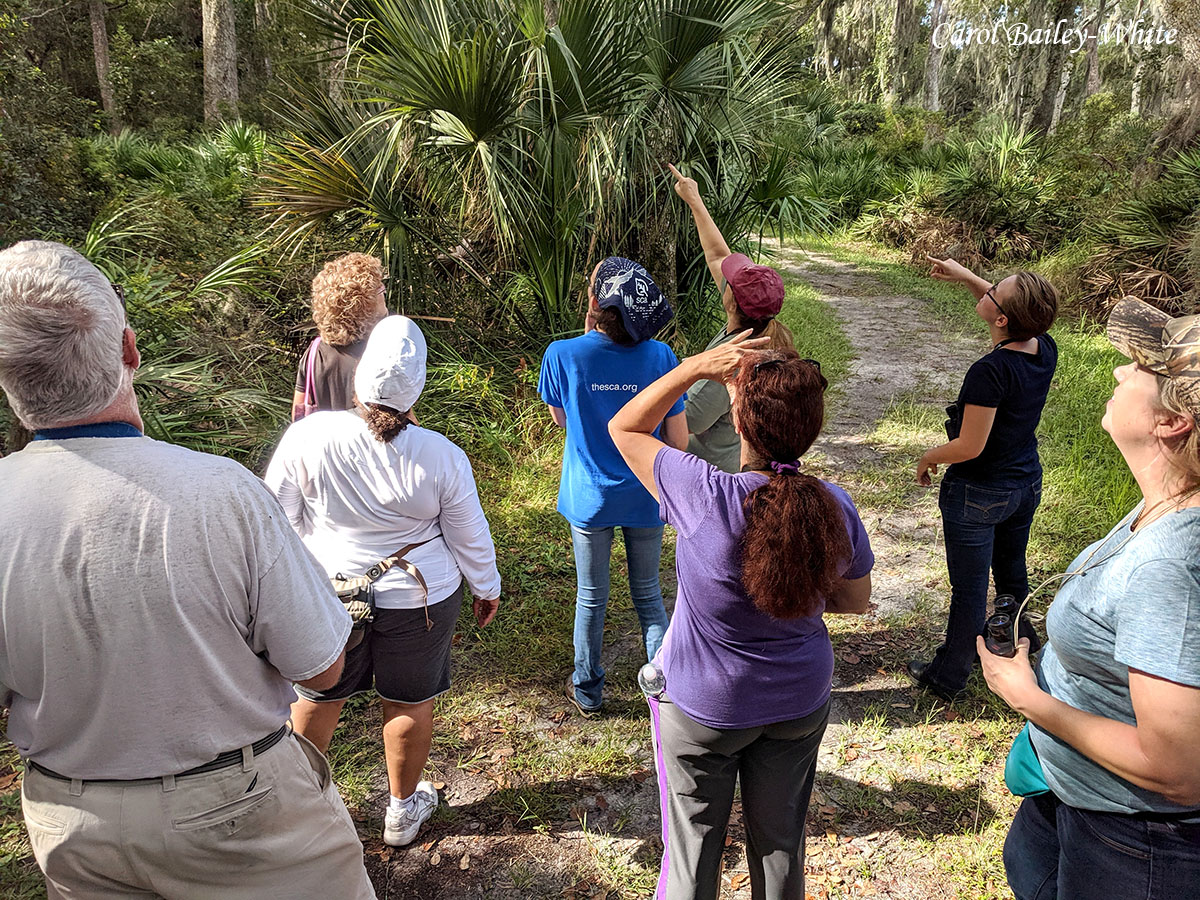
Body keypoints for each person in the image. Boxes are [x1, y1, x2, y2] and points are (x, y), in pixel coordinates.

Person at [0, 241, 375, 899]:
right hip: (240, 813)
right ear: (130, 350)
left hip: (74, 823)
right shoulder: (220, 493)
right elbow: (321, 668)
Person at [610, 336, 874, 900]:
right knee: (780, 848)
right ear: (812, 428)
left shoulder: (704, 493)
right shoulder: (835, 505)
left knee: (691, 855)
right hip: (799, 700)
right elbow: (853, 601)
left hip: (705, 705)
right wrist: (795, 590)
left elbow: (625, 429)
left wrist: (693, 369)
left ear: (739, 420)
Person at [979, 297, 1200, 899]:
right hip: (1079, 803)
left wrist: (1027, 697)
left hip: (1135, 846)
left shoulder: (1169, 564)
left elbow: (1177, 771)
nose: (1119, 372)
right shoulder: (1166, 503)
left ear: (1172, 421)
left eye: (1137, 366)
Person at [266, 314, 501, 847]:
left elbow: (277, 517)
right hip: (419, 599)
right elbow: (469, 534)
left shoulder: (308, 436)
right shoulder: (440, 454)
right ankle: (401, 811)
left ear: (358, 379)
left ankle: (296, 810)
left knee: (317, 697)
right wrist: (486, 587)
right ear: (419, 385)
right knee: (409, 701)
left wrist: (310, 564)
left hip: (329, 594)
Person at [539, 257, 688, 717]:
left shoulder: (562, 354)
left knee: (591, 596)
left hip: (590, 496)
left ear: (594, 304)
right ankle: (664, 688)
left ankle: (587, 689)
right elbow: (678, 439)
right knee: (648, 593)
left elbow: (561, 418)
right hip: (647, 491)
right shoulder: (661, 357)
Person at [908, 256, 1058, 701]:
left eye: (994, 289)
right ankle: (1019, 647)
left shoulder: (989, 373)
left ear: (1001, 317)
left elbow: (970, 446)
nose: (987, 289)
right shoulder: (1042, 346)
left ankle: (948, 675)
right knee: (1012, 576)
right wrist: (967, 278)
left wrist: (928, 456)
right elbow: (1002, 309)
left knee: (969, 592)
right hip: (1025, 483)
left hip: (979, 492)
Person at [668, 162, 795, 473]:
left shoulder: (735, 358)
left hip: (717, 477)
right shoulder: (769, 332)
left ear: (729, 300)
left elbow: (687, 424)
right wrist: (693, 200)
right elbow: (717, 255)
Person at [292, 251, 389, 420]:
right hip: (372, 444)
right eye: (379, 288)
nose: (384, 292)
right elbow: (406, 423)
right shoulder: (381, 351)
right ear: (363, 304)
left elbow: (297, 417)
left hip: (326, 444)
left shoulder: (314, 352)